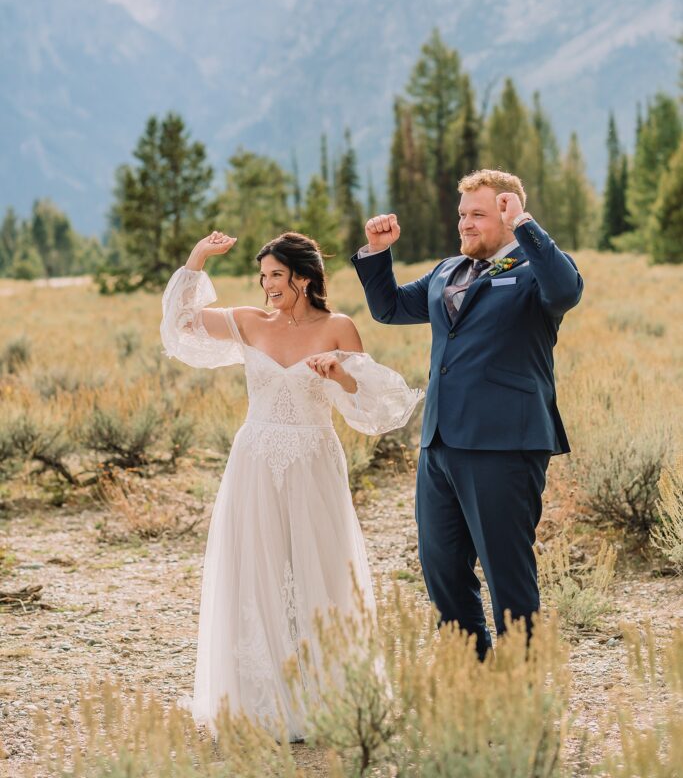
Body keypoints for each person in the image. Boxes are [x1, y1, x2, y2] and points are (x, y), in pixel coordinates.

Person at [160, 229, 423, 739]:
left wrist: (341, 376)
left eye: (276, 275)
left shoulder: (339, 327)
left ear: (303, 277)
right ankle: (257, 696)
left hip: (313, 460)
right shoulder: (249, 323)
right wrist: (198, 259)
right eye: (262, 277)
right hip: (254, 460)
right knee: (257, 566)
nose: (267, 286)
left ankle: (323, 693)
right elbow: (180, 324)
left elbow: (377, 407)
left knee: (317, 568)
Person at [352, 169, 583, 660]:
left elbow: (566, 291)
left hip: (504, 443)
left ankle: (520, 688)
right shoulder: (446, 271)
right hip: (439, 444)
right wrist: (377, 252)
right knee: (441, 568)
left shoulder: (534, 268)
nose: (466, 224)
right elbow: (389, 308)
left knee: (507, 572)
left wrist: (525, 224)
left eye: (478, 214)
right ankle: (470, 677)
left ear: (506, 213)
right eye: (462, 215)